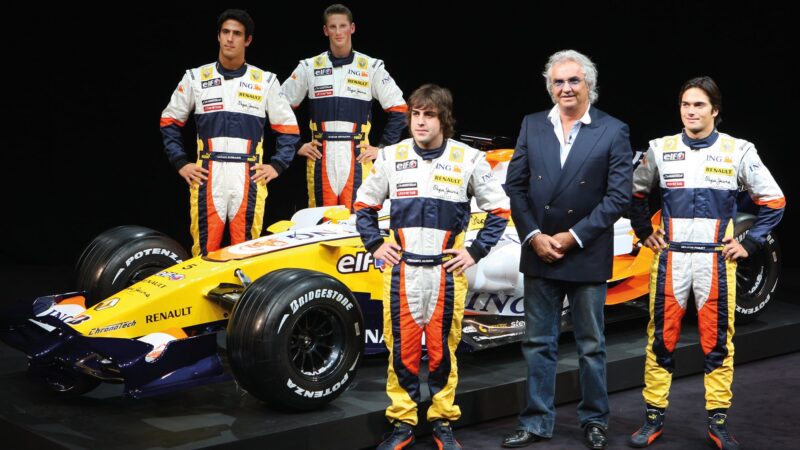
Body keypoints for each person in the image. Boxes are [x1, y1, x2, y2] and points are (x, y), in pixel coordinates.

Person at [627, 76, 785, 450]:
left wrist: (752, 241)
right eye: (686, 105)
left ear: (715, 110)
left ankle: (718, 421)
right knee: (660, 341)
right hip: (672, 258)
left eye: (699, 105)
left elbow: (774, 200)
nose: (691, 111)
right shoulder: (660, 149)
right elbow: (633, 192)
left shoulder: (738, 150)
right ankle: (652, 418)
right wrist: (641, 230)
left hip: (716, 260)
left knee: (717, 344)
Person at [355, 84, 511, 450]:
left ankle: (442, 421)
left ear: (444, 119)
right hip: (402, 271)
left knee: (443, 350)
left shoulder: (468, 158)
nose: (420, 122)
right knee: (402, 350)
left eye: (429, 114)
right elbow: (363, 207)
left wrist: (475, 251)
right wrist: (376, 244)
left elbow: (499, 211)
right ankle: (402, 422)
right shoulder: (391, 156)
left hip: (446, 272)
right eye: (415, 114)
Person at [501, 49, 633, 449]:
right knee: (538, 343)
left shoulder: (613, 130)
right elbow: (515, 186)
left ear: (589, 84)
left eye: (573, 80)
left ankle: (595, 420)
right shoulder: (531, 125)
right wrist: (534, 236)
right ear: (550, 87)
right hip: (539, 249)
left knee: (591, 345)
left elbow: (618, 197)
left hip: (585, 251)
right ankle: (537, 421)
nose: (566, 88)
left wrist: (572, 236)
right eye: (558, 82)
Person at [160, 9, 300, 256]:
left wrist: (277, 166)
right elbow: (169, 120)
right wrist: (181, 163)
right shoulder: (195, 77)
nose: (230, 39)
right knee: (204, 252)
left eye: (237, 34)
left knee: (245, 251)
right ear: (218, 36)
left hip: (248, 175)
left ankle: (244, 295)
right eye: (225, 32)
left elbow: (289, 129)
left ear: (247, 40)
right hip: (207, 174)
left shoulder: (265, 81)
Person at [282, 3, 407, 211]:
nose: (338, 32)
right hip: (321, 156)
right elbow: (280, 108)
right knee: (321, 224)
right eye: (333, 27)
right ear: (325, 30)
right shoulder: (309, 67)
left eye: (342, 26)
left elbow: (400, 110)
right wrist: (295, 145)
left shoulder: (370, 67)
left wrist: (383, 149)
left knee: (357, 221)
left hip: (357, 155)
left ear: (352, 28)